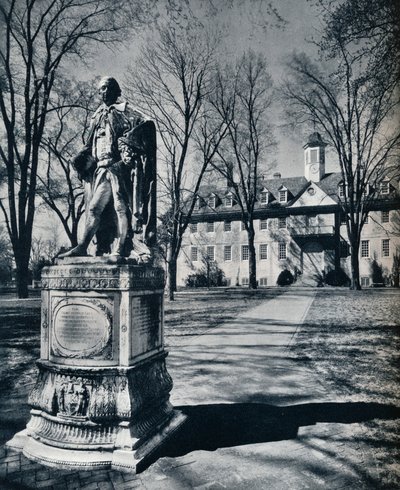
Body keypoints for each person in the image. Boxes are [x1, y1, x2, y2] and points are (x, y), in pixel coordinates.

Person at [59, 76, 156, 261]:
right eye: (100, 90)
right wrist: (79, 161)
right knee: (94, 208)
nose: (102, 92)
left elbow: (147, 125)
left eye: (105, 88)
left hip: (119, 169)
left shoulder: (125, 111)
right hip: (101, 170)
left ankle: (120, 248)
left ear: (114, 90)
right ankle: (83, 246)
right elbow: (89, 145)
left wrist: (128, 143)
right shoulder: (97, 116)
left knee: (121, 208)